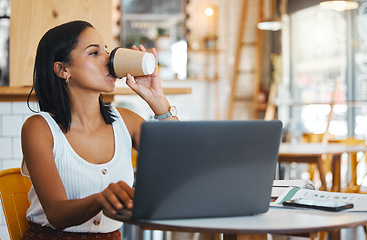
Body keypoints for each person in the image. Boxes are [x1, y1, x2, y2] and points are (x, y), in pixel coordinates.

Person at [21, 20, 178, 239]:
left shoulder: (127, 121)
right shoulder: (39, 128)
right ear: (63, 69)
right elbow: (56, 214)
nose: (109, 60)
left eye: (106, 50)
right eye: (94, 53)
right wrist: (99, 199)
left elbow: (182, 160)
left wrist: (158, 99)